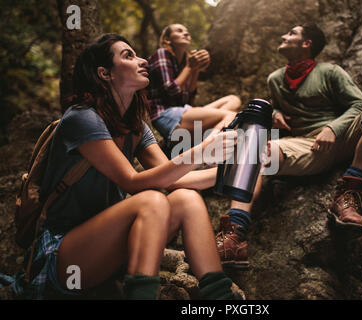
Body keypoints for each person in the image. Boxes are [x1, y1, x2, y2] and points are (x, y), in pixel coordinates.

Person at [10, 33, 241, 300]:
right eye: (128, 56)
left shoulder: (137, 126)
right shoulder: (82, 118)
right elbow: (130, 180)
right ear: (104, 73)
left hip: (109, 249)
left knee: (187, 199)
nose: (142, 60)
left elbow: (173, 178)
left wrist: (229, 173)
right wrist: (202, 150)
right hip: (64, 255)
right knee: (152, 201)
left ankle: (220, 296)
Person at [265, 22, 362, 235]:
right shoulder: (274, 79)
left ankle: (348, 192)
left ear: (306, 43)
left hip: (343, 137)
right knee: (262, 154)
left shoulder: (330, 72)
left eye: (291, 33)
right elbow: (273, 107)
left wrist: (332, 128)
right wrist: (274, 114)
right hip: (305, 145)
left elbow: (360, 105)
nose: (283, 36)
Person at [146, 23, 241, 151]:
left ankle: (208, 135)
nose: (186, 33)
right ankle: (211, 149)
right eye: (179, 31)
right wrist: (190, 67)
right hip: (167, 117)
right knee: (230, 115)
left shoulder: (184, 62)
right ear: (167, 40)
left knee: (233, 100)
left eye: (187, 32)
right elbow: (170, 90)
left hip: (183, 114)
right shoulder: (162, 53)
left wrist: (196, 69)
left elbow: (189, 101)